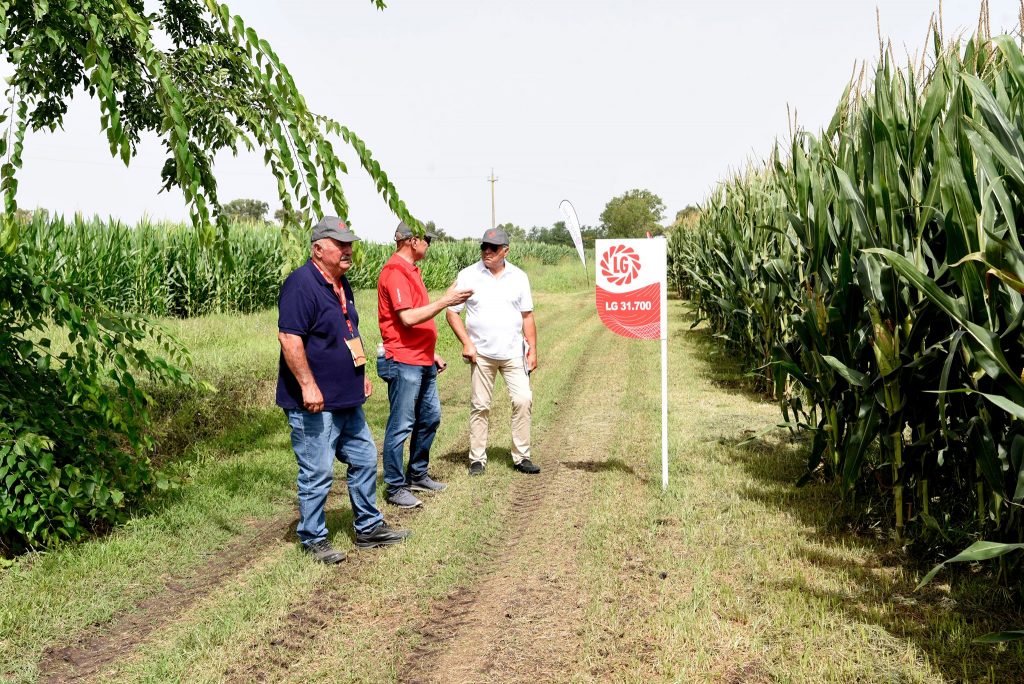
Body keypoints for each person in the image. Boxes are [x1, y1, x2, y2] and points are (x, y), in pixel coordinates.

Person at [277, 216, 409, 564]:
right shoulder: (300, 284)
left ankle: (368, 527)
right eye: (341, 244)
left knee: (365, 459)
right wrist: (308, 385)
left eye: (350, 243)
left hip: (347, 397)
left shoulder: (341, 283)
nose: (348, 249)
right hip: (315, 404)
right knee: (318, 471)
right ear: (318, 249)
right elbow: (289, 338)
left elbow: (349, 330)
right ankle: (313, 538)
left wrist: (361, 370)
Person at [377, 221, 473, 508]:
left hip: (421, 359)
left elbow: (416, 317)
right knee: (401, 424)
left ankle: (417, 474)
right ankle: (395, 487)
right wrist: (446, 300)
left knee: (430, 417)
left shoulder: (412, 271)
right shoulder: (395, 272)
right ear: (410, 241)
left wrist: (430, 353)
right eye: (425, 239)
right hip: (403, 361)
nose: (429, 244)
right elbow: (406, 318)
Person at [445, 227, 539, 476]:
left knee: (523, 400)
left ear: (505, 251)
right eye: (484, 247)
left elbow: (527, 316)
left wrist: (533, 350)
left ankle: (522, 457)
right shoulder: (468, 275)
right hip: (482, 354)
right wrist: (467, 343)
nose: (487, 251)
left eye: (493, 248)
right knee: (480, 405)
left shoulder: (519, 277)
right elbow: (451, 313)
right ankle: (477, 458)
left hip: (513, 353)